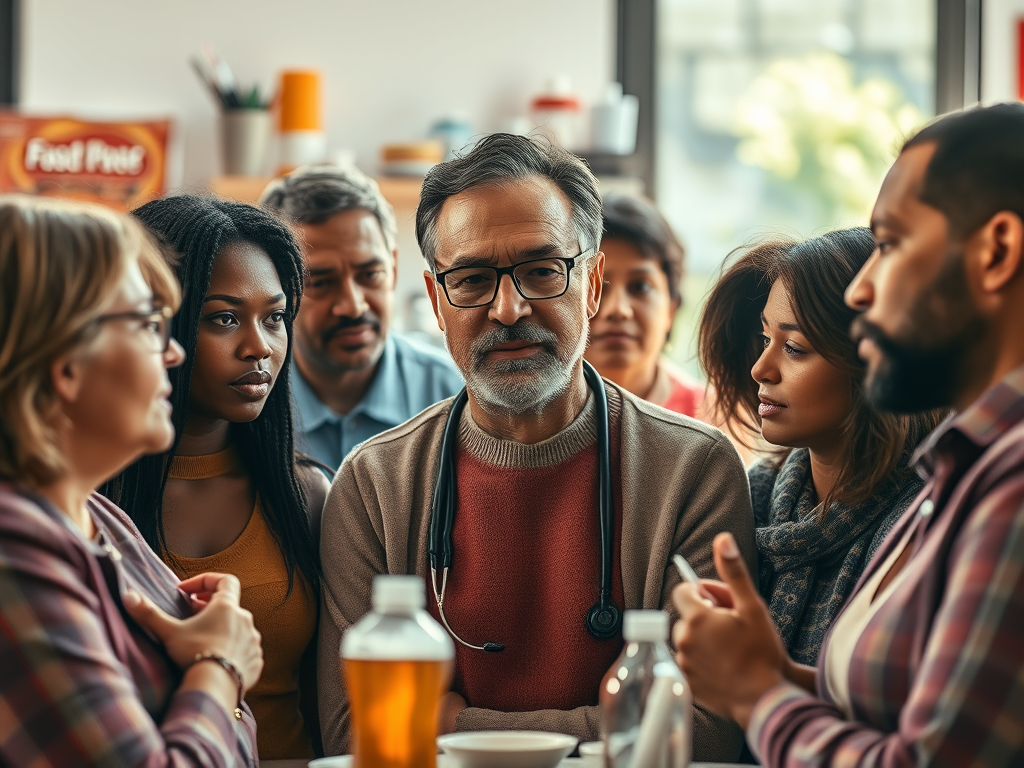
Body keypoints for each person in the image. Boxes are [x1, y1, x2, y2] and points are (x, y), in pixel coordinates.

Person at [317, 134, 757, 761]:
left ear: (594, 281)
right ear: (437, 301)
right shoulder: (374, 486)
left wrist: (449, 721)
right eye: (470, 279)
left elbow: (709, 731)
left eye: (542, 271)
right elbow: (355, 735)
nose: (508, 308)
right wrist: (607, 726)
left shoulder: (693, 470)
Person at [672, 103, 1024, 767]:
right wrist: (772, 672)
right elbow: (904, 713)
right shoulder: (963, 468)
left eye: (889, 244)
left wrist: (754, 695)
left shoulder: (1009, 483)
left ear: (997, 251)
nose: (863, 290)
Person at [0, 195, 261, 766]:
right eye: (148, 324)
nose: (172, 352)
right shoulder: (14, 547)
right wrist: (220, 667)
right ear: (63, 361)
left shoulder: (98, 516)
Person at [103, 195, 328, 760]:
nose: (259, 348)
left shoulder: (307, 496)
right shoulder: (87, 502)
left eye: (274, 318)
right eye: (223, 318)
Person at [697, 229, 942, 666]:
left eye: (793, 347)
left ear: (872, 358)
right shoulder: (752, 495)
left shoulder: (925, 523)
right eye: (764, 338)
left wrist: (764, 681)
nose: (760, 369)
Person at [260, 165, 464, 472]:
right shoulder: (251, 402)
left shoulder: (454, 393)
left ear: (393, 269)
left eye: (370, 274)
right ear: (275, 287)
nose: (353, 307)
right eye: (321, 281)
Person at [585, 192, 706, 416]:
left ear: (671, 308)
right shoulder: (525, 421)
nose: (618, 310)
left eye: (640, 287)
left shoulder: (716, 420)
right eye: (597, 287)